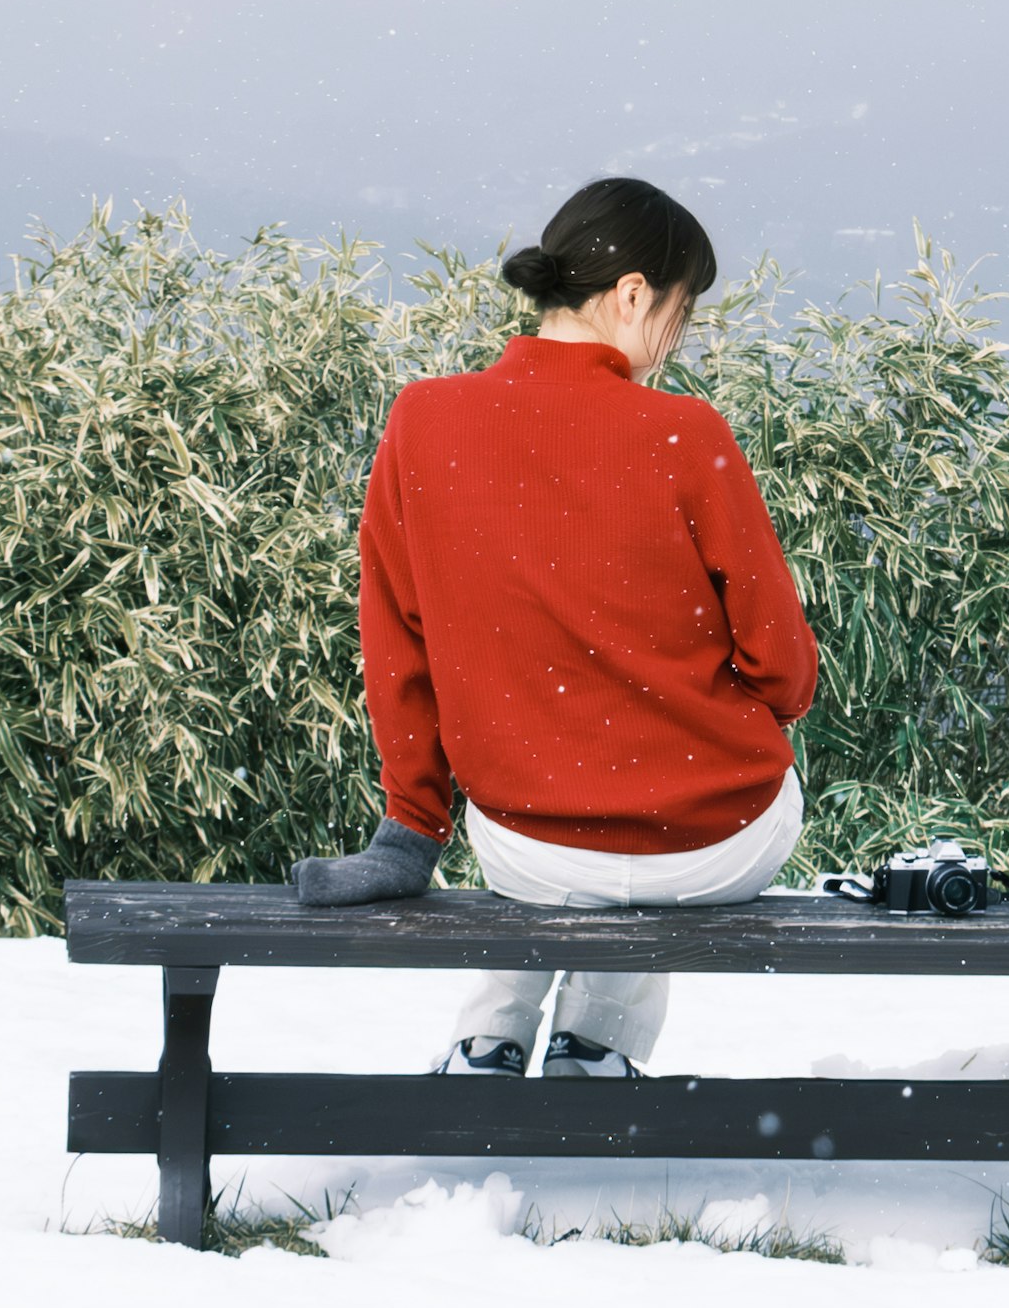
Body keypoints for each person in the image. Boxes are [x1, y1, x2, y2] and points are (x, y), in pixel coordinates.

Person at [307, 172, 820, 1078]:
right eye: (680, 308)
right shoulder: (686, 433)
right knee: (642, 862)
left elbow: (399, 649)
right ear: (630, 295)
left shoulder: (425, 421)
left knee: (577, 870)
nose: (677, 337)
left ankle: (488, 1041)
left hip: (529, 845)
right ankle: (597, 1047)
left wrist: (413, 821)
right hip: (715, 840)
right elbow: (785, 672)